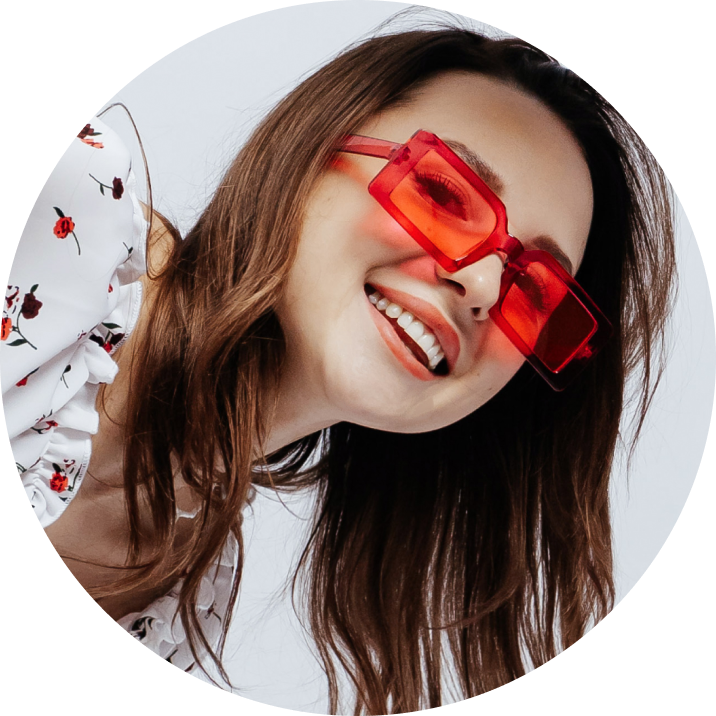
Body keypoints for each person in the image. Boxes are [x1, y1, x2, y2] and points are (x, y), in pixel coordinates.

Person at [2, 25, 675, 710]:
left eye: (533, 290)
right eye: (443, 194)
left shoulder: (189, 593)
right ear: (311, 150)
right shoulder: (61, 219)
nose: (482, 285)